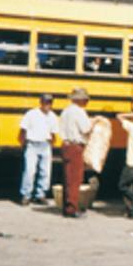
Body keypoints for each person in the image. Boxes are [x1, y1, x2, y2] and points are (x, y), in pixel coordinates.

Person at [59, 87, 94, 218]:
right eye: (85, 100)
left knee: (67, 177)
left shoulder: (65, 111)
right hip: (75, 146)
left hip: (66, 145)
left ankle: (66, 206)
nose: (86, 102)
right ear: (80, 100)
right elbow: (85, 129)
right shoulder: (79, 112)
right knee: (75, 179)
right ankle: (72, 209)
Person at [18, 93, 58, 206]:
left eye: (49, 102)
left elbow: (53, 133)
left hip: (45, 144)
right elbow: (23, 129)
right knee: (30, 171)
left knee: (45, 172)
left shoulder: (52, 116)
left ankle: (40, 194)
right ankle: (26, 195)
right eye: (45, 102)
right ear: (41, 102)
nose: (47, 105)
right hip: (32, 144)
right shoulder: (31, 114)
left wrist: (52, 144)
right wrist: (23, 143)